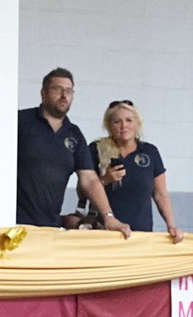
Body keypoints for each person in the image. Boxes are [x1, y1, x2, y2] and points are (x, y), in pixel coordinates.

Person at [16, 68, 130, 236]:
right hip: (13, 225)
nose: (64, 96)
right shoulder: (21, 121)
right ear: (43, 93)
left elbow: (89, 179)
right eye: (57, 89)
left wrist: (109, 217)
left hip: (50, 227)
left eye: (69, 91)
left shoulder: (74, 134)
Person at [89, 101, 183, 241]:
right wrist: (105, 179)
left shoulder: (150, 152)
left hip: (140, 235)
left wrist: (171, 225)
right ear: (109, 126)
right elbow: (83, 189)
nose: (123, 126)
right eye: (117, 121)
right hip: (104, 233)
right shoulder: (96, 149)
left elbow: (160, 193)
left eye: (129, 120)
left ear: (137, 123)